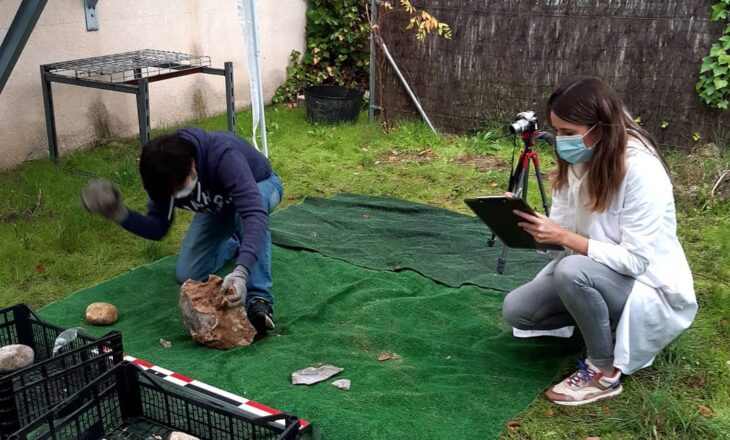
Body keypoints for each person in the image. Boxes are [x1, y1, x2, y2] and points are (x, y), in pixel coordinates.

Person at [502, 77, 697, 406]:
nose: (559, 141)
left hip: (645, 284)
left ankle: (603, 373)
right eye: (556, 130)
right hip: (592, 272)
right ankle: (601, 325)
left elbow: (635, 261)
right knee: (518, 311)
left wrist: (565, 237)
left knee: (572, 272)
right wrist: (534, 227)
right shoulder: (575, 163)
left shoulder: (642, 170)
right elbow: (562, 236)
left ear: (600, 127)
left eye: (568, 133)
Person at [81, 127, 283, 335]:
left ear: (193, 165)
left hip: (262, 187)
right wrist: (119, 213)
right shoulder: (161, 176)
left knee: (248, 217)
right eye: (171, 193)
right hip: (218, 208)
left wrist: (242, 273)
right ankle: (235, 242)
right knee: (187, 274)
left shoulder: (223, 155)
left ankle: (260, 299)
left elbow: (254, 213)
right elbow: (158, 228)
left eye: (179, 188)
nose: (176, 195)